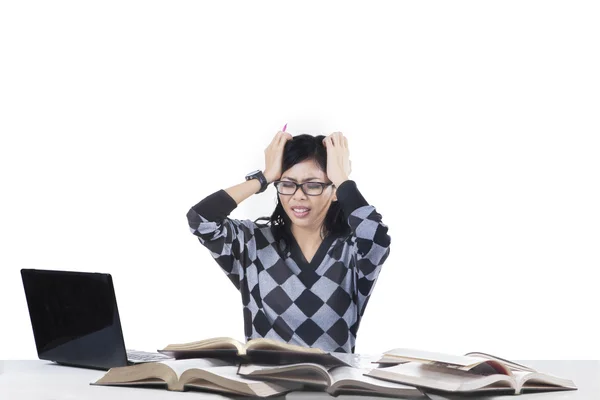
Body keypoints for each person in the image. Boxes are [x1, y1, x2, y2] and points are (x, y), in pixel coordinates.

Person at [186, 131, 391, 353]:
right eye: (287, 184)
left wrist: (342, 179)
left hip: (331, 385)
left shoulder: (352, 251)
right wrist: (263, 177)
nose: (298, 195)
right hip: (263, 385)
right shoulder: (252, 244)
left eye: (312, 185)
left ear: (335, 193)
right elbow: (200, 219)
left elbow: (376, 237)